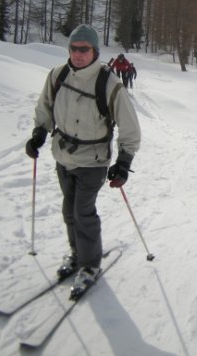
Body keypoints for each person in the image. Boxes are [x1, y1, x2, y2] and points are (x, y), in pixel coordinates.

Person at [25, 24, 141, 293]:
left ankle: (90, 264)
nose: (77, 54)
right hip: (63, 155)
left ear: (95, 51)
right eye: (73, 49)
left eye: (84, 49)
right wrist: (38, 133)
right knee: (69, 210)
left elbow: (130, 127)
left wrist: (124, 162)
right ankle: (77, 255)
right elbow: (44, 107)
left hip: (94, 160)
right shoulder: (57, 75)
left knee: (82, 211)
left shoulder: (109, 84)